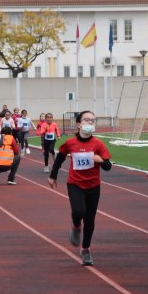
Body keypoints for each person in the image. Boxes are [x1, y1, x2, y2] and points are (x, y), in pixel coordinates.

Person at [48, 111, 112, 266]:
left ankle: (86, 249)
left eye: (92, 121)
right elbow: (60, 158)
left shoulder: (98, 144)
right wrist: (53, 175)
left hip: (93, 186)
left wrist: (101, 161)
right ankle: (76, 226)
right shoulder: (70, 143)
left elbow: (108, 166)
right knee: (78, 212)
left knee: (90, 220)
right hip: (75, 184)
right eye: (86, 120)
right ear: (78, 124)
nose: (90, 123)